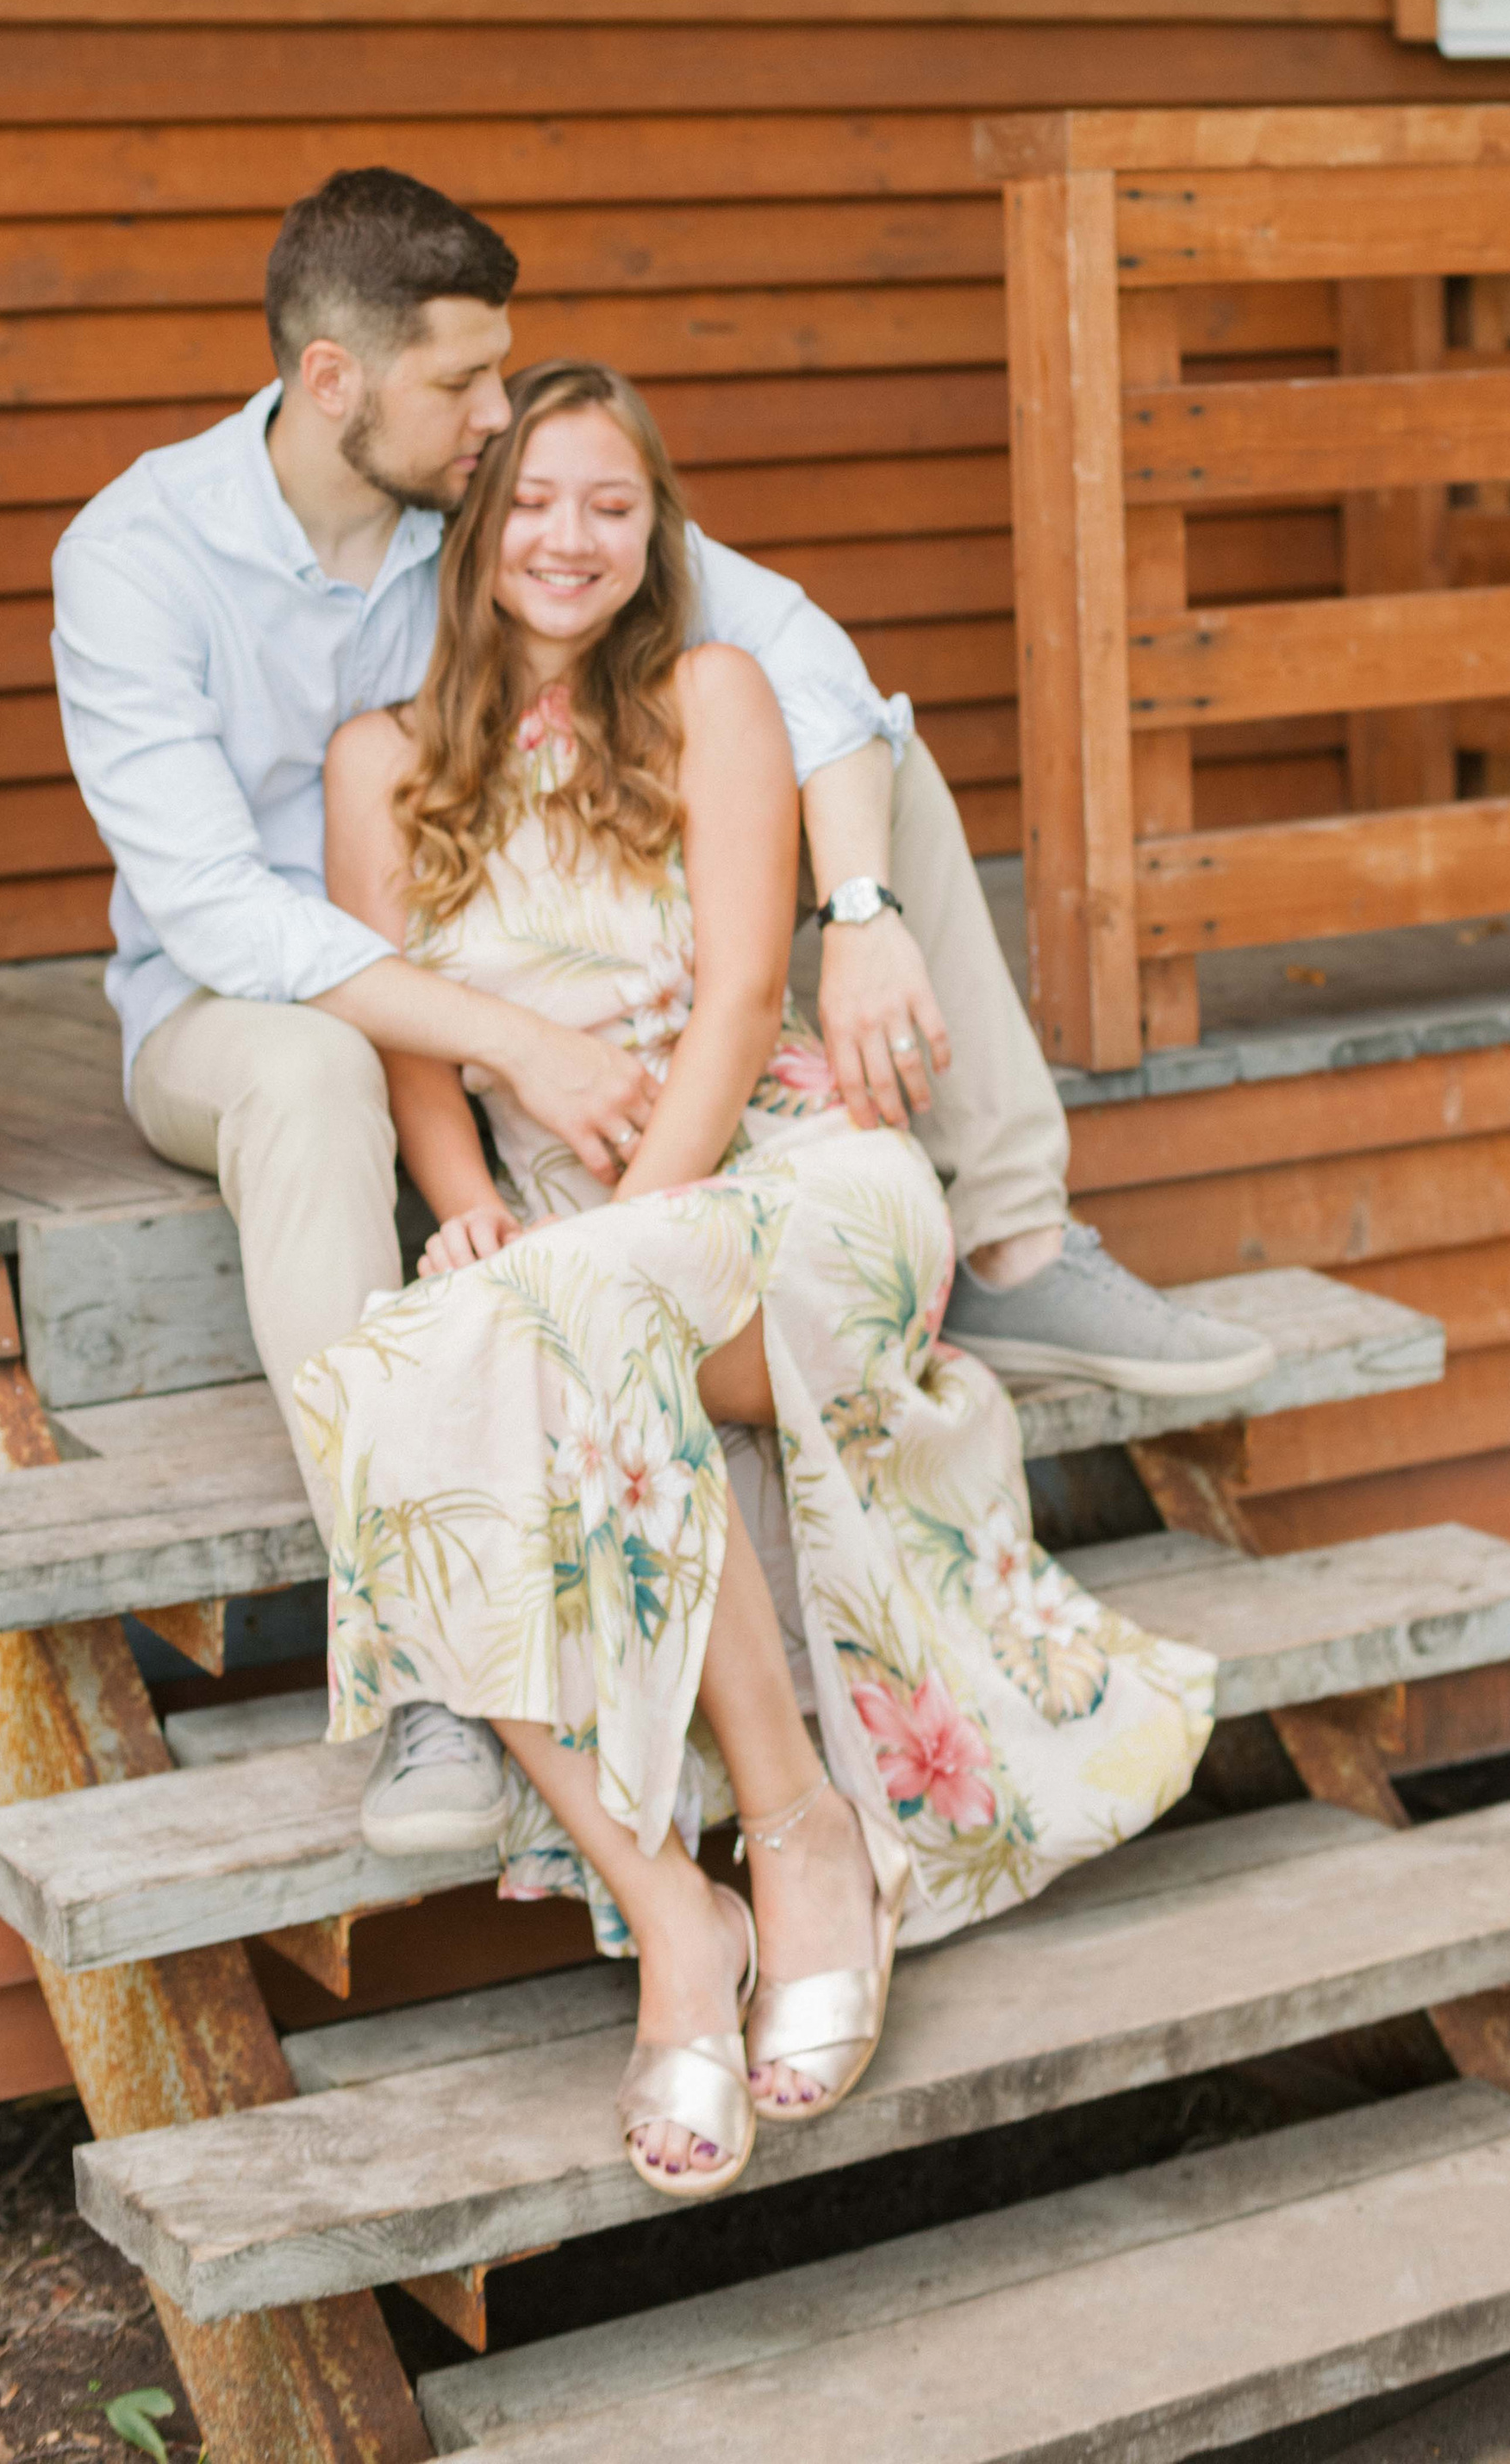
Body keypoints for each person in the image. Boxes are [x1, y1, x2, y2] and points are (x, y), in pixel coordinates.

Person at [50, 168, 1266, 1858]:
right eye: (462, 383)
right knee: (309, 1060)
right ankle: (420, 1650)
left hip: (521, 1008)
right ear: (335, 384)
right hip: (235, 1008)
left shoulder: (483, 502)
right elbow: (216, 910)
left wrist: (856, 913)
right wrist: (509, 1046)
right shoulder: (139, 555)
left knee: (871, 766)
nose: (495, 413)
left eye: (501, 379)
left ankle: (1016, 1241)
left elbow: (807, 661)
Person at [300, 362, 1217, 2200]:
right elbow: (405, 1040)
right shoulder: (378, 761)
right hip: (577, 1220)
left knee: (554, 1325)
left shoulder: (713, 698)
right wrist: (473, 1198)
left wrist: (604, 1232)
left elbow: (732, 999)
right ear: (479, 531)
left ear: (654, 538)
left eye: (612, 509)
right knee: (407, 1370)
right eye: (537, 501)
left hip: (785, 1178)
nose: (570, 538)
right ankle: (677, 1913)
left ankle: (801, 1835)